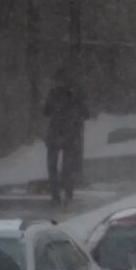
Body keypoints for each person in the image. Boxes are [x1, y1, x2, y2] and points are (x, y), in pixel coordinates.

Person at [43, 68, 89, 205]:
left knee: (52, 166)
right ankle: (68, 194)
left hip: (55, 134)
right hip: (70, 135)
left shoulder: (53, 94)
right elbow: (86, 113)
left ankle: (55, 195)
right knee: (67, 167)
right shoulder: (76, 96)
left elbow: (46, 111)